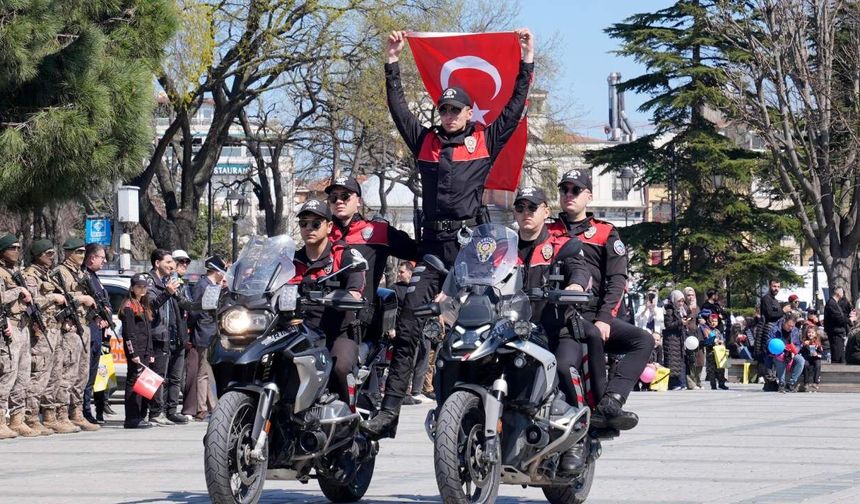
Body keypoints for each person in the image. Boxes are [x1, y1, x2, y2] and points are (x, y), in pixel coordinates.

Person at [361, 27, 535, 440]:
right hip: (432, 250)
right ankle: (389, 412)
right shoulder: (424, 142)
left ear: (469, 114)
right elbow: (398, 108)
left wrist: (527, 59)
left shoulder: (485, 139)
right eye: (444, 109)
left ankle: (480, 404)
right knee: (407, 321)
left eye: (456, 110)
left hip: (473, 249)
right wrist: (391, 61)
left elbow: (513, 106)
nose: (449, 115)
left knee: (479, 324)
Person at [547, 169, 654, 431]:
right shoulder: (547, 231)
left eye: (575, 190)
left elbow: (617, 280)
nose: (568, 195)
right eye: (564, 190)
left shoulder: (604, 232)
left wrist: (605, 318)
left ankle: (611, 401)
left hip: (593, 313)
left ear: (589, 196)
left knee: (643, 340)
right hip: (556, 314)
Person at [509, 187, 596, 471]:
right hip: (512, 331)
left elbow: (579, 269)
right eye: (520, 208)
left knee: (563, 367)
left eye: (532, 208)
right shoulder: (504, 249)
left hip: (555, 330)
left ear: (546, 211)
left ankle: (577, 441)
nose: (526, 214)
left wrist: (574, 285)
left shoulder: (561, 244)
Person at [290, 200, 366, 403]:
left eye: (315, 224)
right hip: (298, 334)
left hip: (336, 334)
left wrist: (349, 295)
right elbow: (270, 285)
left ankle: (346, 420)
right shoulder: (291, 260)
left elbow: (355, 285)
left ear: (329, 226)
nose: (308, 229)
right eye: (303, 224)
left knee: (340, 367)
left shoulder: (343, 255)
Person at [21, 240, 74, 435]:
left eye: (53, 253)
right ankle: (31, 417)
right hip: (41, 331)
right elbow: (31, 301)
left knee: (55, 375)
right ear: (38, 254)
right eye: (48, 253)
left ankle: (51, 416)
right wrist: (52, 298)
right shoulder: (30, 275)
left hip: (56, 328)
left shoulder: (49, 275)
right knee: (39, 375)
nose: (52, 257)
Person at [55, 238, 100, 432]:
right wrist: (82, 298)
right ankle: (61, 415)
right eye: (78, 252)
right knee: (68, 373)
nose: (81, 256)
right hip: (70, 327)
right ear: (67, 253)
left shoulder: (81, 273)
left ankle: (77, 413)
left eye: (83, 252)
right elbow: (59, 297)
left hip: (84, 325)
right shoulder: (61, 272)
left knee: (82, 374)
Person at [146, 249, 191, 426]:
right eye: (168, 263)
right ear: (157, 263)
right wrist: (167, 292)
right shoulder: (150, 282)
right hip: (159, 335)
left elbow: (183, 305)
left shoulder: (171, 282)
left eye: (173, 263)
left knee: (175, 377)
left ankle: (171, 411)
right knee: (158, 376)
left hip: (176, 335)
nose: (172, 266)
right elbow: (151, 307)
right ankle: (156, 412)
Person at [0, 234, 36, 438]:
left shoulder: (15, 272)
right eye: (11, 248)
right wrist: (19, 291)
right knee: (8, 373)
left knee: (22, 376)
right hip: (9, 326)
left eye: (17, 248)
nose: (15, 251)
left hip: (23, 326)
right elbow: (1, 298)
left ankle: (17, 419)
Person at [183, 255, 226, 420]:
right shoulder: (203, 285)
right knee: (203, 372)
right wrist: (192, 330)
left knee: (207, 371)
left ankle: (212, 406)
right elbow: (195, 310)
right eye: (223, 270)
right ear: (216, 270)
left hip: (212, 331)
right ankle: (201, 408)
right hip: (204, 331)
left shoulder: (213, 285)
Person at [81, 243, 113, 424]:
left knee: (92, 376)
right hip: (89, 332)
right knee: (85, 376)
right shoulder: (85, 276)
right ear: (92, 258)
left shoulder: (94, 277)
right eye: (102, 257)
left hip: (98, 334)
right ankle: (84, 411)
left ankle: (87, 411)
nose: (105, 261)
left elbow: (103, 302)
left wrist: (106, 315)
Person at [121, 273, 155, 429]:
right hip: (136, 350)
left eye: (144, 286)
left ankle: (141, 414)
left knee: (144, 384)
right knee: (134, 382)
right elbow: (129, 333)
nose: (142, 289)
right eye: (139, 286)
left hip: (145, 349)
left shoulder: (143, 305)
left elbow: (147, 331)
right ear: (132, 288)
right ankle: (132, 417)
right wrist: (133, 353)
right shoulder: (129, 306)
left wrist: (151, 352)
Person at [767, 315, 805, 393]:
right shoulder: (775, 329)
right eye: (789, 325)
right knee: (781, 358)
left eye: (792, 326)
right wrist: (778, 350)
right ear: (784, 322)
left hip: (791, 351)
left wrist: (795, 352)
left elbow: (798, 344)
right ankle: (781, 383)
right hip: (777, 352)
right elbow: (769, 342)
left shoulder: (795, 330)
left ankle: (791, 382)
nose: (790, 328)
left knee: (801, 360)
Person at [662, 291, 689, 390]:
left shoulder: (681, 310)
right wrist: (680, 322)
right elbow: (668, 325)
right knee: (672, 362)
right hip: (671, 340)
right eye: (679, 301)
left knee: (680, 361)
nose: (681, 303)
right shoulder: (669, 310)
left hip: (679, 339)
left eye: (682, 301)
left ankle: (681, 383)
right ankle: (673, 384)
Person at [756, 279, 783, 362]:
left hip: (775, 331)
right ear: (769, 286)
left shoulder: (775, 300)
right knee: (766, 356)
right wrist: (783, 311)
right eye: (774, 286)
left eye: (778, 287)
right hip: (766, 332)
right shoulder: (766, 299)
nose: (776, 289)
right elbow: (769, 314)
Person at [700, 313, 728, 390]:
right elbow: (705, 341)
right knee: (711, 370)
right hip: (711, 353)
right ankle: (713, 384)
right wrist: (713, 342)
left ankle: (721, 383)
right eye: (712, 321)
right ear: (708, 321)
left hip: (719, 352)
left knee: (721, 368)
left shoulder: (717, 331)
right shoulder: (706, 330)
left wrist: (722, 343)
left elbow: (722, 340)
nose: (713, 323)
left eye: (715, 321)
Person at [824, 287, 852, 364]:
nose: (843, 295)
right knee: (837, 355)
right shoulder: (831, 303)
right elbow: (838, 318)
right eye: (842, 293)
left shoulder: (834, 303)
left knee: (839, 354)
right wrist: (850, 320)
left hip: (838, 331)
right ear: (839, 293)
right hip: (835, 332)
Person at [800, 323, 823, 392]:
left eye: (812, 333)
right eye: (809, 332)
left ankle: (816, 382)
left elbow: (821, 353)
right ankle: (806, 382)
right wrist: (804, 345)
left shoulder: (818, 342)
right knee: (805, 364)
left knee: (818, 365)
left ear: (815, 334)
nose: (811, 334)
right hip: (807, 357)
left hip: (815, 358)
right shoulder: (804, 341)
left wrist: (817, 354)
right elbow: (801, 351)